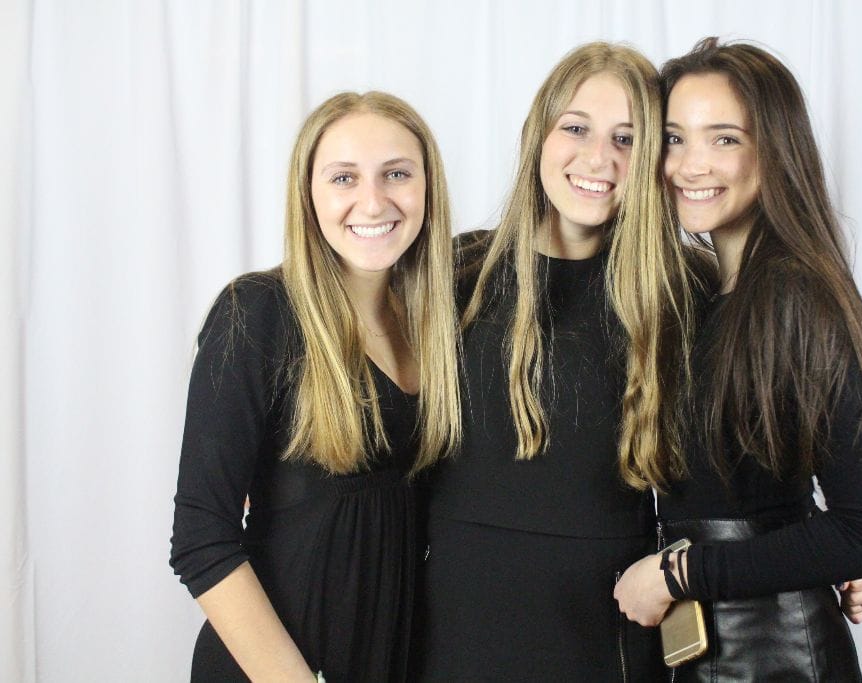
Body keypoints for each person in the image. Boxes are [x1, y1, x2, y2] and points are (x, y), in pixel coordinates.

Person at [613, 37, 862, 681]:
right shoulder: (705, 295)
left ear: (774, 150)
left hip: (776, 656)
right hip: (706, 649)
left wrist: (675, 573)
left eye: (724, 139)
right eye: (674, 138)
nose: (690, 165)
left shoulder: (792, 295)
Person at [414, 42, 695, 681]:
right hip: (459, 628)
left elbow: (754, 444)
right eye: (576, 128)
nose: (598, 158)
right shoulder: (455, 273)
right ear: (537, 135)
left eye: (626, 138)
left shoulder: (681, 291)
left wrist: (814, 542)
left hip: (610, 630)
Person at [169, 91, 461, 682]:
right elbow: (201, 537)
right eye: (344, 177)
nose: (372, 201)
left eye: (397, 174)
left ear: (428, 188)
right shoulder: (257, 313)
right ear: (308, 195)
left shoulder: (436, 323)